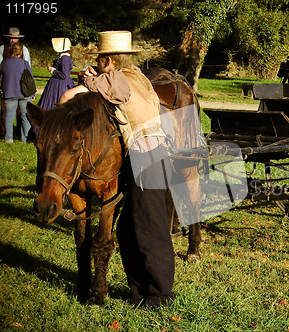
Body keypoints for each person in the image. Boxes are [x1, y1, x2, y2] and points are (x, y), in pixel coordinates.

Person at [59, 31, 175, 308]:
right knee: (128, 229)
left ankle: (159, 296)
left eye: (99, 61)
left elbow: (65, 99)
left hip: (147, 156)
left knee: (150, 228)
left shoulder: (117, 80)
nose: (98, 66)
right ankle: (138, 292)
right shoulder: (136, 74)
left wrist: (89, 81)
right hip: (151, 154)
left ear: (107, 59)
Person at [0, 27, 31, 137]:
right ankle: (5, 133)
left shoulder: (25, 50)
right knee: (6, 112)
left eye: (14, 38)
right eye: (11, 38)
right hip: (8, 87)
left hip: (20, 88)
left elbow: (28, 72)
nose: (12, 40)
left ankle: (19, 134)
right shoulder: (2, 49)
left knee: (21, 114)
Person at [37, 38, 75, 110]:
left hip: (60, 85)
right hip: (56, 83)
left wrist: (53, 70)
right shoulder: (63, 57)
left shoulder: (64, 58)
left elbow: (64, 75)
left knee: (55, 102)